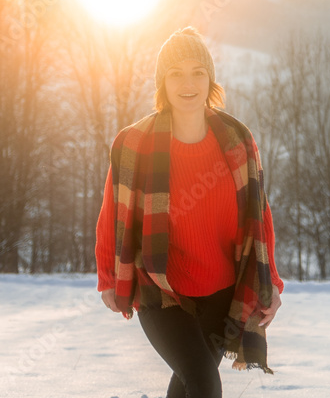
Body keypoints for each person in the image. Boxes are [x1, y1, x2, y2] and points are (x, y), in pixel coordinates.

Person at [95, 26, 284, 398]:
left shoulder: (237, 141)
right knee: (203, 381)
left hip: (221, 292)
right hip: (160, 289)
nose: (188, 83)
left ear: (210, 79)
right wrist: (107, 277)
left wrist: (271, 282)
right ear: (162, 83)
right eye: (176, 73)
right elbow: (112, 215)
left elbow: (259, 218)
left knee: (188, 385)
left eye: (198, 72)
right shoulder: (135, 144)